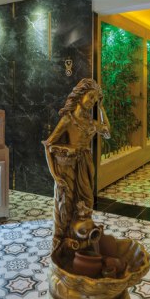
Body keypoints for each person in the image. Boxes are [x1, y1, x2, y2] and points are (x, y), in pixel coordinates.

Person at [43, 79, 110, 250]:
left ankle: (82, 236)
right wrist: (55, 175)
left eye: (95, 99)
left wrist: (101, 108)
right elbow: (48, 145)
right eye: (91, 97)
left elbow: (107, 131)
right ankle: (62, 239)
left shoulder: (91, 122)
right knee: (66, 202)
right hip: (68, 166)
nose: (92, 101)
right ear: (80, 96)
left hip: (86, 164)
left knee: (87, 200)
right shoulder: (68, 119)